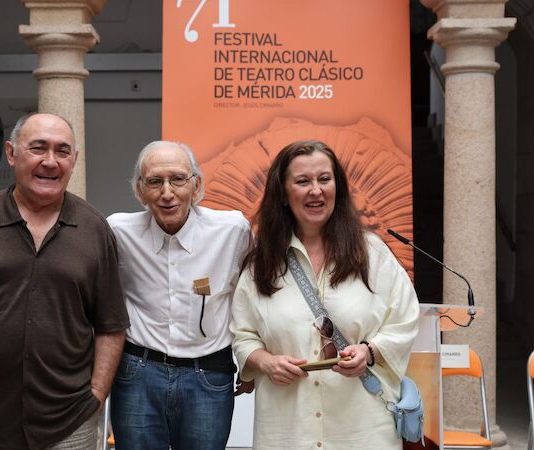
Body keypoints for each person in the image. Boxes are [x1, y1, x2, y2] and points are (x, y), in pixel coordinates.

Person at [0, 112, 129, 450]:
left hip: (68, 423)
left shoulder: (95, 229)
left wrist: (97, 394)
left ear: (74, 160)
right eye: (38, 148)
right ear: (11, 153)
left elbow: (111, 324)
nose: (50, 161)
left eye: (62, 151)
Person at [231, 139, 420, 450]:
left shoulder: (373, 254)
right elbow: (243, 335)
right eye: (302, 181)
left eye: (324, 179)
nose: (315, 190)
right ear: (283, 194)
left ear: (337, 187)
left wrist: (369, 352)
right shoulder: (262, 263)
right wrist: (266, 363)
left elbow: (405, 319)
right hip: (287, 431)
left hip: (363, 430)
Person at [107, 140, 252, 450]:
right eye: (154, 181)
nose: (167, 192)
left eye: (178, 179)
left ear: (196, 185)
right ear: (140, 190)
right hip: (138, 374)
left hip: (208, 375)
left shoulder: (232, 231)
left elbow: (251, 300)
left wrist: (250, 361)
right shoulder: (118, 232)